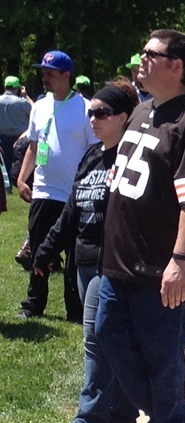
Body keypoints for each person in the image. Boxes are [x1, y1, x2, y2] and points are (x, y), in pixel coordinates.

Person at [94, 29, 185, 423]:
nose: (141, 60)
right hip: (119, 260)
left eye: (152, 54)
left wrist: (180, 260)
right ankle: (168, 415)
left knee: (161, 354)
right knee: (109, 336)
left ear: (177, 66)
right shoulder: (143, 111)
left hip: (160, 266)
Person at [30, 84, 139, 423]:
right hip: (84, 261)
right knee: (111, 341)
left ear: (123, 117)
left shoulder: (131, 158)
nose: (93, 119)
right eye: (90, 112)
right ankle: (123, 418)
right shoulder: (92, 155)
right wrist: (44, 252)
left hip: (113, 265)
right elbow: (72, 212)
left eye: (101, 113)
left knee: (95, 340)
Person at [17, 50, 98, 321]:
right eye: (43, 73)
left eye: (50, 73)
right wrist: (22, 177)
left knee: (75, 254)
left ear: (66, 75)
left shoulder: (85, 108)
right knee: (39, 248)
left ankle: (75, 308)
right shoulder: (39, 106)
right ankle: (33, 303)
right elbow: (34, 146)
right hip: (44, 189)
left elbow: (94, 151)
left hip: (74, 194)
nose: (44, 78)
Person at [0, 75, 33, 176]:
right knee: (18, 162)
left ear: (5, 87)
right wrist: (26, 95)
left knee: (5, 161)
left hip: (2, 136)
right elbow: (35, 109)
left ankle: (6, 183)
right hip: (19, 137)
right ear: (17, 88)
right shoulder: (22, 102)